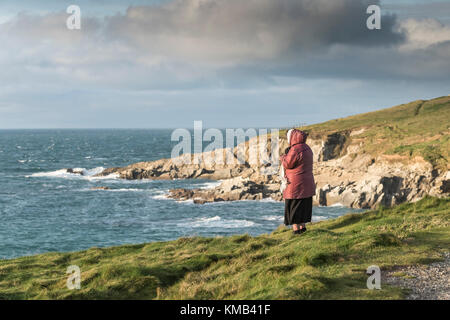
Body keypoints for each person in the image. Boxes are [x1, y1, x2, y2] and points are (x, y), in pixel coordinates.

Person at [280, 129, 316, 235]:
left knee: (294, 208)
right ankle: (303, 230)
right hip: (307, 183)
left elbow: (288, 164)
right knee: (303, 207)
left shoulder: (295, 149)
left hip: (295, 185)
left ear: (292, 137)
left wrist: (282, 157)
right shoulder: (307, 147)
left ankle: (296, 232)